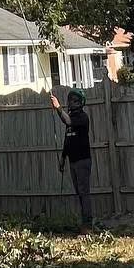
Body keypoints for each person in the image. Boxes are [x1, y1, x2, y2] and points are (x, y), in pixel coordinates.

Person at [50, 86, 93, 228]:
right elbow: (68, 139)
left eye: (75, 100)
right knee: (79, 193)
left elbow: (67, 121)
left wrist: (58, 107)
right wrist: (63, 158)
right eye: (70, 100)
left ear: (81, 103)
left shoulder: (82, 118)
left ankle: (87, 225)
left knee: (84, 192)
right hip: (72, 161)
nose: (71, 102)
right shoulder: (72, 118)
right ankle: (84, 222)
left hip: (82, 160)